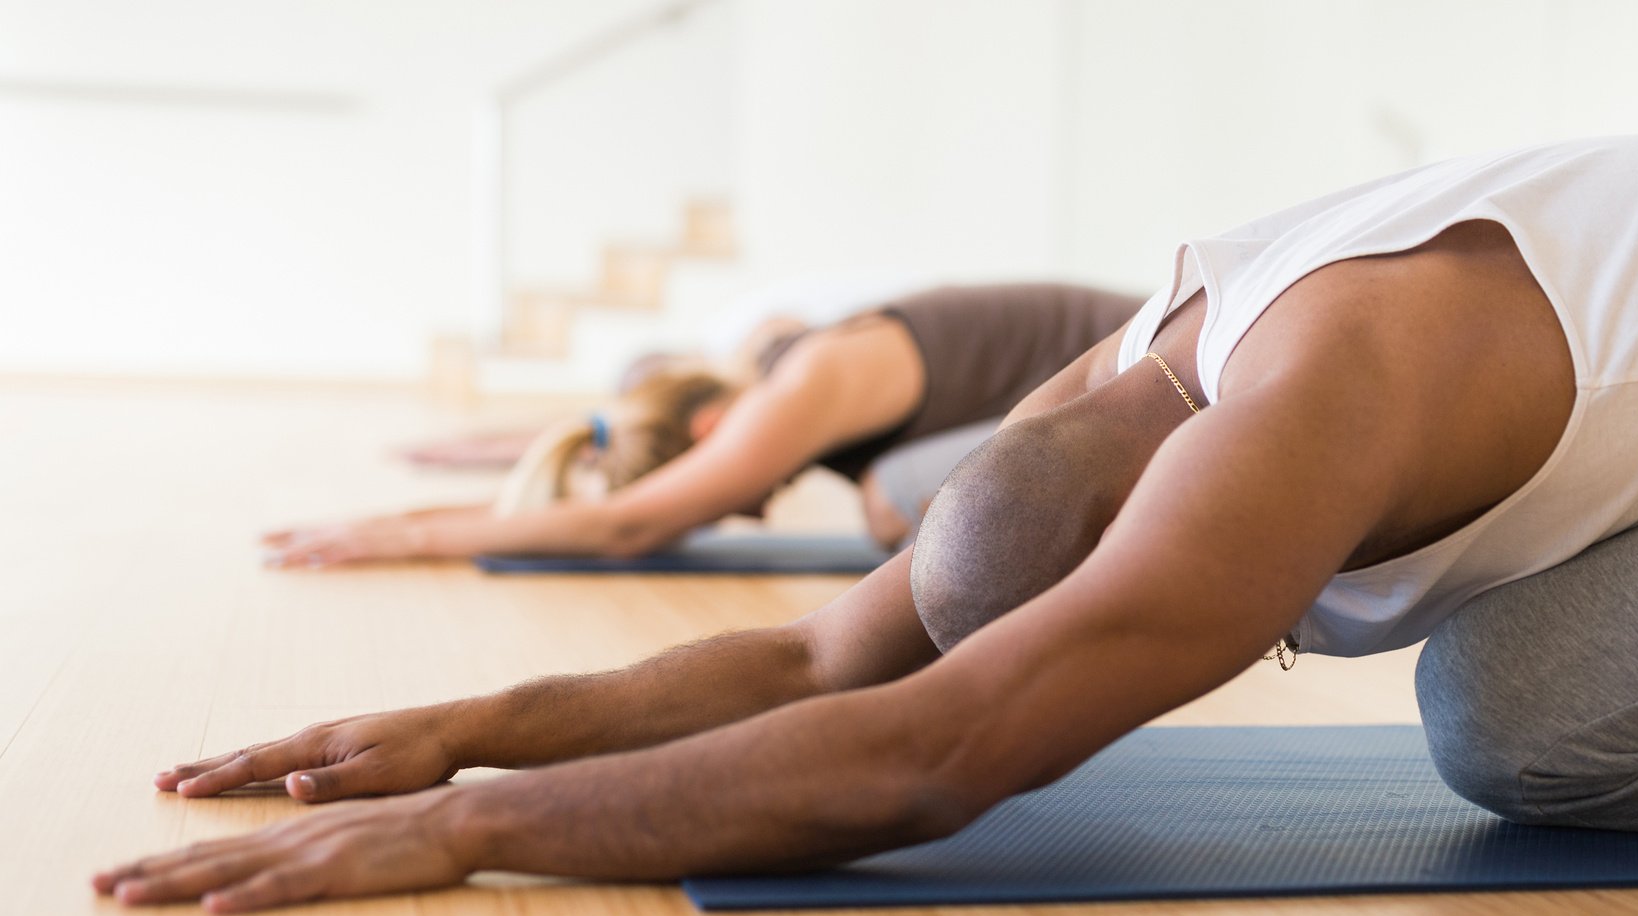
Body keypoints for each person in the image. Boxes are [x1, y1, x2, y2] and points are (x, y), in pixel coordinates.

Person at [97, 136, 1638, 914]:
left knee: (1512, 726)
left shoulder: (1305, 410)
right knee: (1515, 689)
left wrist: (472, 834)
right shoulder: (1108, 378)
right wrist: (470, 722)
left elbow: (931, 759)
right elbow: (826, 656)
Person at [261, 283, 1144, 563]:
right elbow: (623, 423)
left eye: (719, 497)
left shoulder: (793, 395)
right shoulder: (755, 370)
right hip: (1127, 370)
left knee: (894, 501)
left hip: (1166, 371)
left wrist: (406, 537)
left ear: (713, 428)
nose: (746, 513)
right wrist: (505, 447)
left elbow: (627, 521)